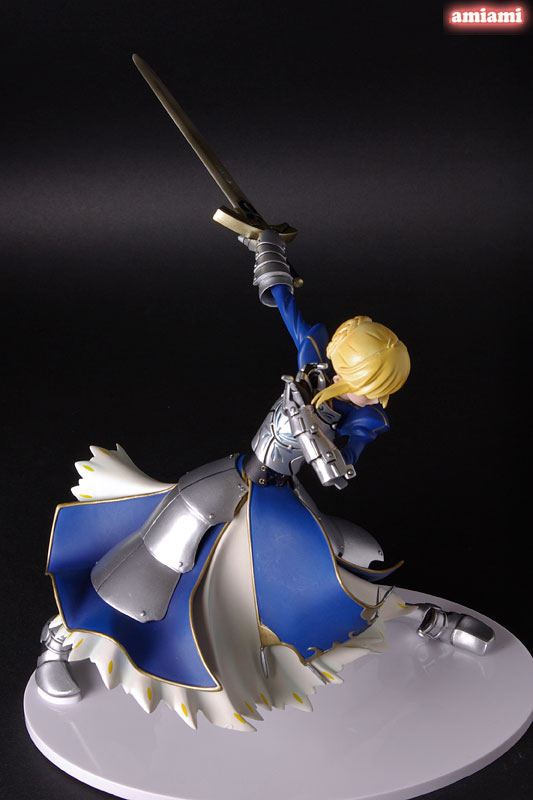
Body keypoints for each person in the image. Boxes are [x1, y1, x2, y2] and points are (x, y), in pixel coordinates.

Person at [36, 231, 489, 732]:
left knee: (333, 572)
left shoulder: (366, 418)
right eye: (374, 388)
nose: (380, 400)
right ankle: (55, 645)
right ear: (345, 372)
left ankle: (426, 617)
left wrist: (320, 442)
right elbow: (285, 302)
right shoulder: (314, 359)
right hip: (229, 479)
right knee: (150, 561)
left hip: (278, 498)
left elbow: (342, 467)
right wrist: (267, 250)